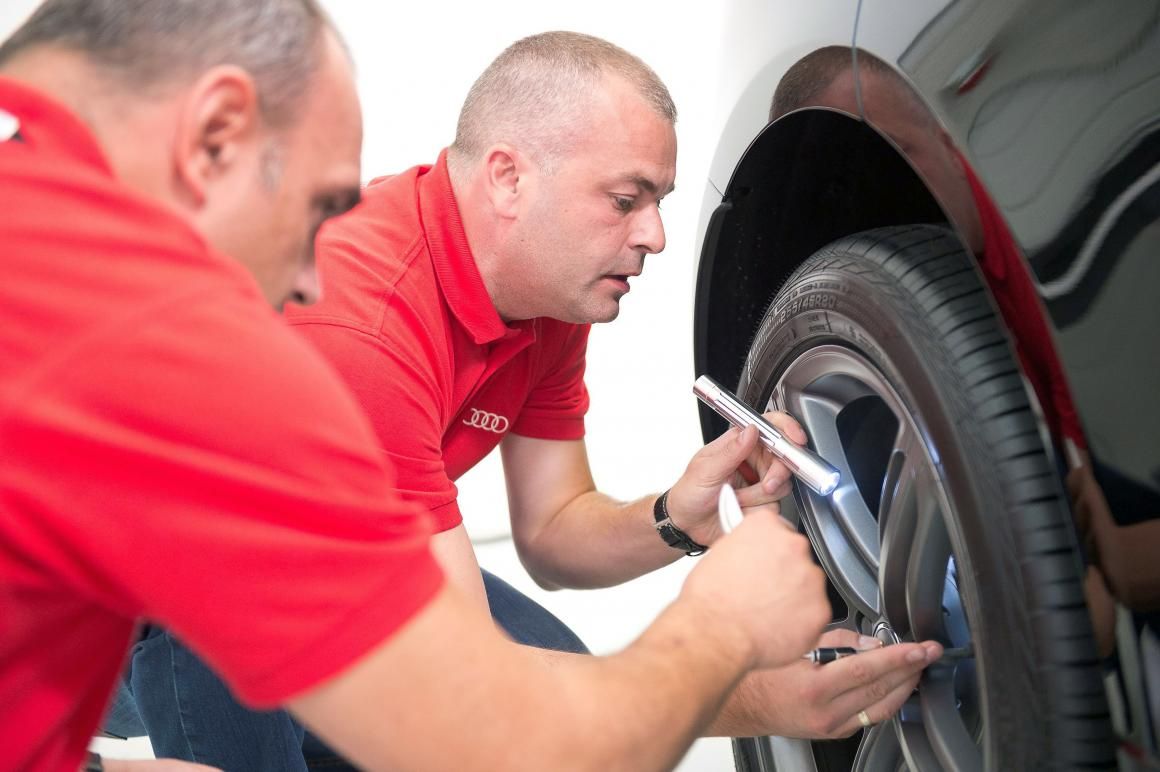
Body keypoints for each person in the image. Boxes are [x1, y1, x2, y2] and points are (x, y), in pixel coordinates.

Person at [0, 2, 844, 770]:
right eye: (313, 209)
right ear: (213, 137)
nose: (305, 280)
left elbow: (546, 546)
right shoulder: (331, 341)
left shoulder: (60, 275)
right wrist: (725, 633)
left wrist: (672, 520)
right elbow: (482, 730)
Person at [768, 45, 1125, 653]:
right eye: (850, 181)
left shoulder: (1073, 241)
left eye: (899, 155)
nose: (885, 189)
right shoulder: (923, 309)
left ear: (949, 139)